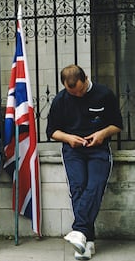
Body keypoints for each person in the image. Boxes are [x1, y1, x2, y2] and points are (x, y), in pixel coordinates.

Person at [46, 64, 123, 260]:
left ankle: (79, 232)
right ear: (65, 86)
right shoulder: (60, 100)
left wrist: (102, 134)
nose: (78, 95)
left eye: (80, 90)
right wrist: (68, 138)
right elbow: (52, 131)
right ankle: (87, 241)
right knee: (78, 188)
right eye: (73, 92)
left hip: (98, 149)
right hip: (73, 151)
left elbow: (117, 124)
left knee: (94, 187)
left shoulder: (104, 94)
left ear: (86, 78)